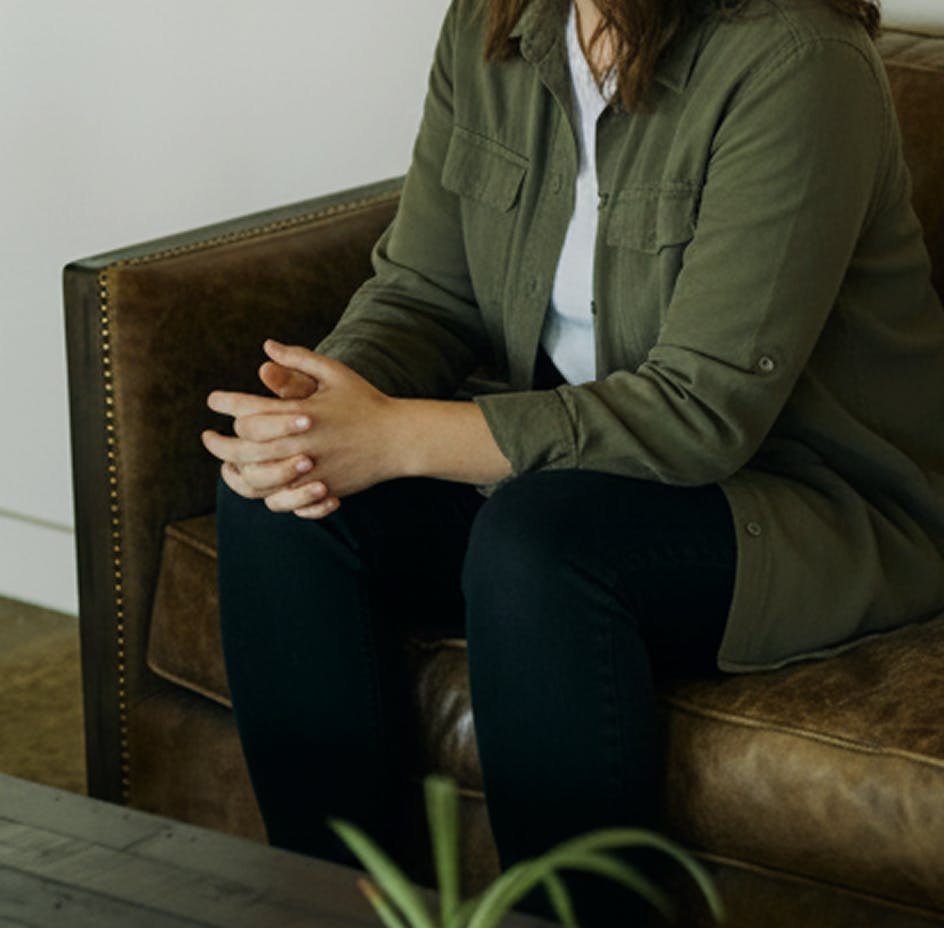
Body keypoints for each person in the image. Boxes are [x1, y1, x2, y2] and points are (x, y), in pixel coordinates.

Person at [201, 0, 944, 923]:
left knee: (538, 547)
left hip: (808, 501)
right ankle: (346, 912)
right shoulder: (494, 22)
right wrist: (318, 417)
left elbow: (702, 412)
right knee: (285, 501)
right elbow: (427, 294)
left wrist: (396, 437)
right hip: (576, 466)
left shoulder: (799, 60)